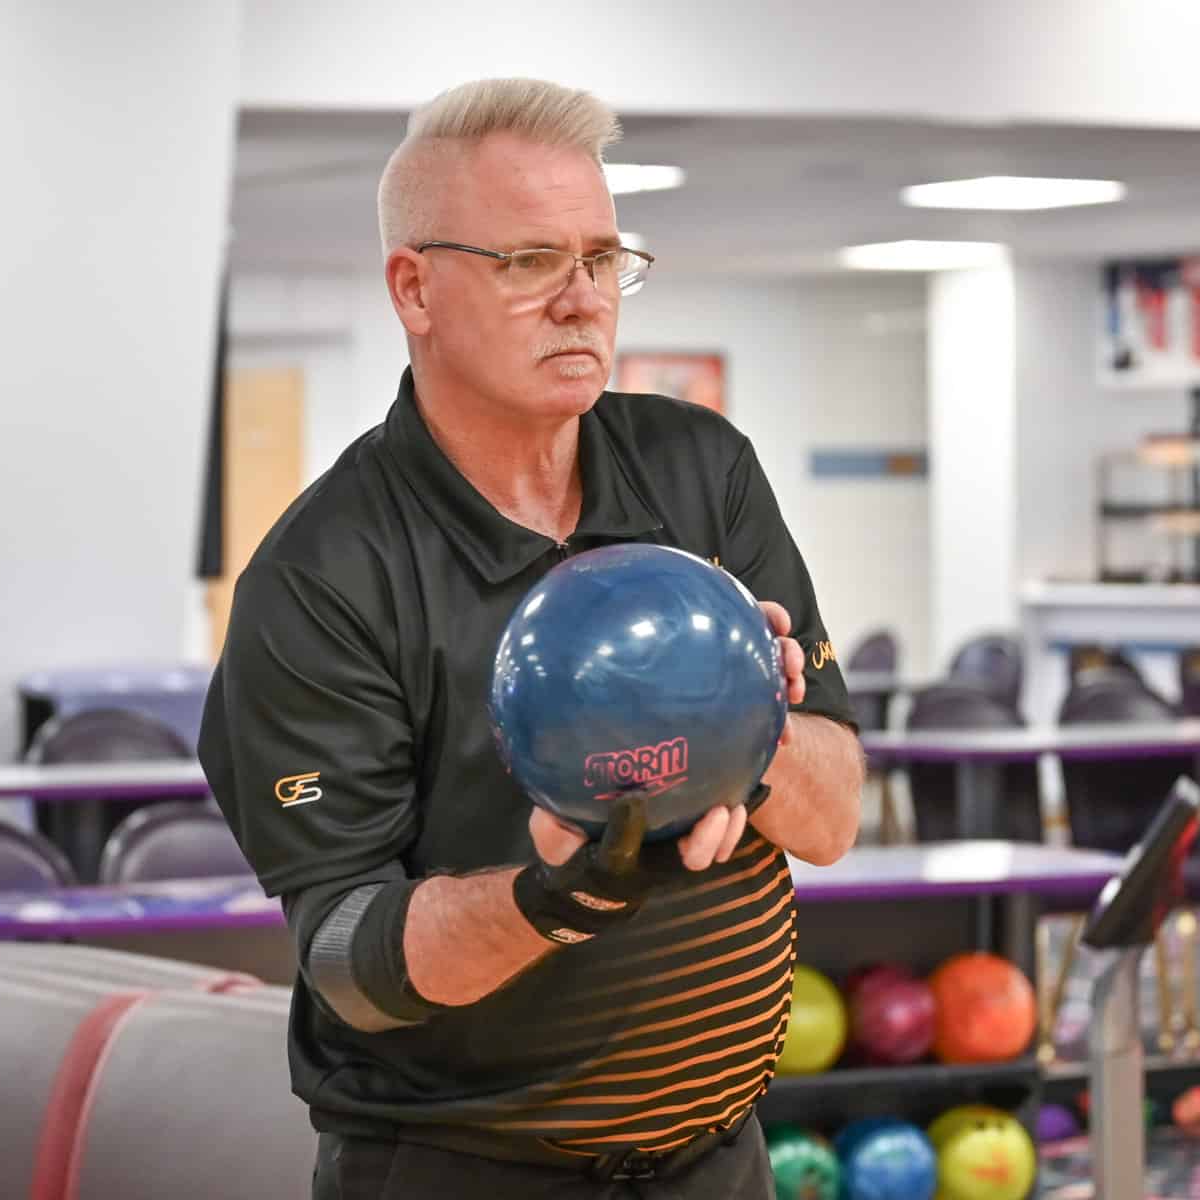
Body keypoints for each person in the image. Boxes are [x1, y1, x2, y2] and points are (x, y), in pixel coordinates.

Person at [199, 77, 864, 1199]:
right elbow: (342, 963)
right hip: (462, 1169)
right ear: (414, 287)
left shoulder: (700, 470)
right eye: (528, 261)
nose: (582, 300)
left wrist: (746, 729)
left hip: (718, 1155)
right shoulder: (323, 576)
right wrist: (550, 904)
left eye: (602, 259)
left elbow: (835, 812)